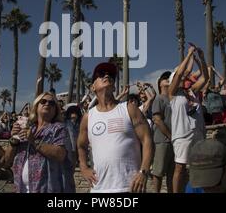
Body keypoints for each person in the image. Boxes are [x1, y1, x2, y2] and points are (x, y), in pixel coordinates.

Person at [77, 62, 153, 193]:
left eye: (110, 75)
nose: (107, 75)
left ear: (114, 87)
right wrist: (83, 167)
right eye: (101, 74)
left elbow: (147, 140)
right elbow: (81, 145)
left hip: (129, 187)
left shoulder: (129, 109)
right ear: (93, 87)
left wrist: (143, 172)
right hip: (99, 188)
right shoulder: (88, 117)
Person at [3, 92, 73, 193]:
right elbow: (7, 161)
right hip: (21, 188)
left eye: (52, 103)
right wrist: (14, 138)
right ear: (36, 107)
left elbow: (60, 154)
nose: (47, 104)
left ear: (55, 110)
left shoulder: (59, 128)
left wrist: (34, 141)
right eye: (43, 101)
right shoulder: (28, 128)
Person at [169, 45, 208, 193]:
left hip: (198, 134)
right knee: (180, 167)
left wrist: (201, 59)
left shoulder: (191, 91)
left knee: (199, 166)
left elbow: (205, 77)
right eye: (180, 78)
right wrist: (189, 53)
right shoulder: (172, 94)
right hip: (182, 136)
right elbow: (179, 73)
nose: (184, 78)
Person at [151, 71, 175, 193]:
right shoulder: (159, 99)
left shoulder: (173, 99)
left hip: (174, 141)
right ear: (160, 83)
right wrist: (169, 136)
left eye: (169, 78)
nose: (168, 80)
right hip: (162, 140)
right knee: (158, 172)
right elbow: (157, 119)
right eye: (165, 78)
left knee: (172, 173)